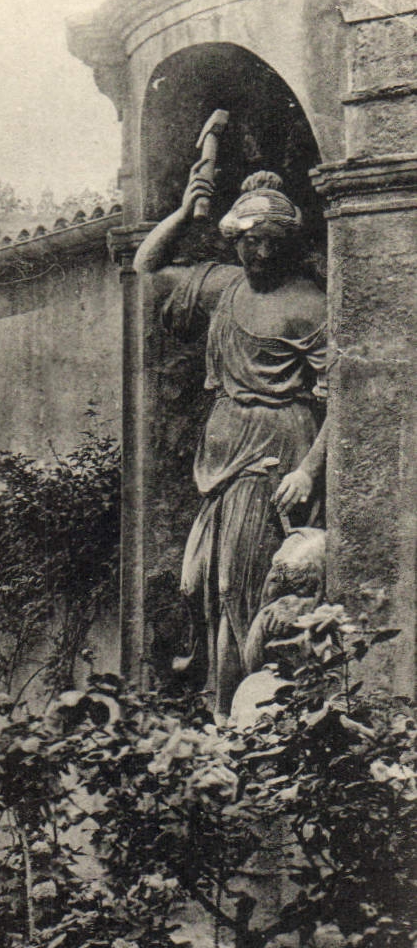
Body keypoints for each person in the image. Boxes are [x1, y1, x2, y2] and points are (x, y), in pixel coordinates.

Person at [135, 168, 331, 712]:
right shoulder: (224, 287)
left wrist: (308, 471)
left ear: (289, 243)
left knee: (242, 586)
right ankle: (222, 705)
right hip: (220, 458)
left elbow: (342, 396)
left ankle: (246, 712)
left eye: (272, 242)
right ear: (233, 240)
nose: (261, 253)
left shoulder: (308, 305)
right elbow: (146, 272)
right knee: (204, 586)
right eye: (250, 241)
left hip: (275, 453)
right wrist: (182, 213)